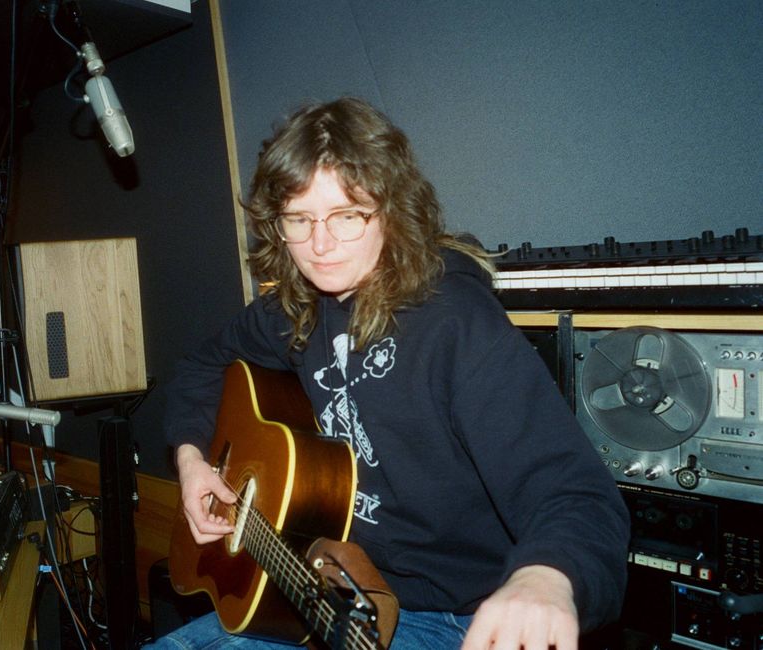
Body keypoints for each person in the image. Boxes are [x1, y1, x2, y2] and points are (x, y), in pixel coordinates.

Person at [152, 97, 629, 650]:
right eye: (299, 220)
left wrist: (547, 576)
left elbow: (574, 493)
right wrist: (191, 460)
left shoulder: (456, 323)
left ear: (393, 210)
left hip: (446, 615)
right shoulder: (297, 308)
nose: (320, 245)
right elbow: (201, 365)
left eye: (346, 216)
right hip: (324, 585)